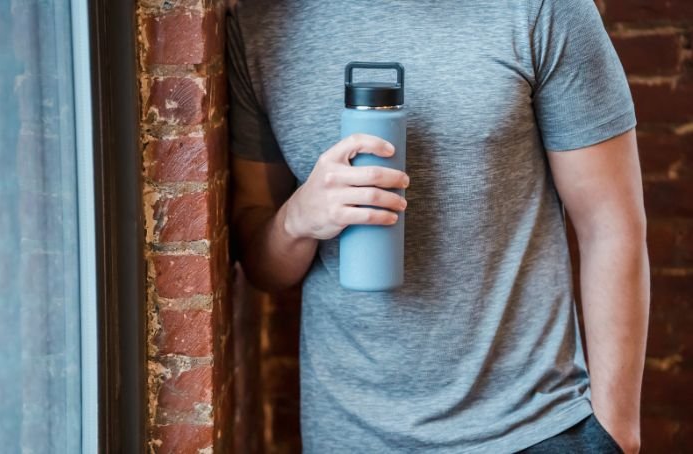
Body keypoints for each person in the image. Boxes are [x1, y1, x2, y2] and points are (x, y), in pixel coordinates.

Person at [226, 0, 649, 452]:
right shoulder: (260, 22)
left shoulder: (541, 9)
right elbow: (261, 264)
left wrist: (616, 433)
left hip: (531, 427)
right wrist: (297, 220)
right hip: (351, 434)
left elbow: (610, 223)